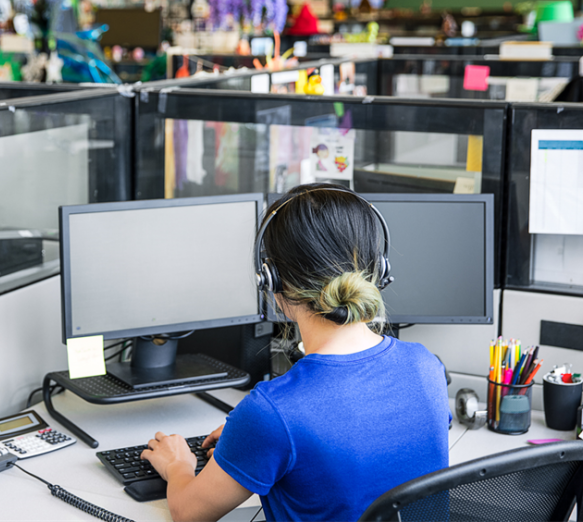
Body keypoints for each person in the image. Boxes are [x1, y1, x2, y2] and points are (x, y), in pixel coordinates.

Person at [141, 183, 450, 522]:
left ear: (271, 281)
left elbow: (189, 513)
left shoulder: (272, 412)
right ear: (379, 270)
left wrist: (178, 465)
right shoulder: (426, 367)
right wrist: (248, 443)